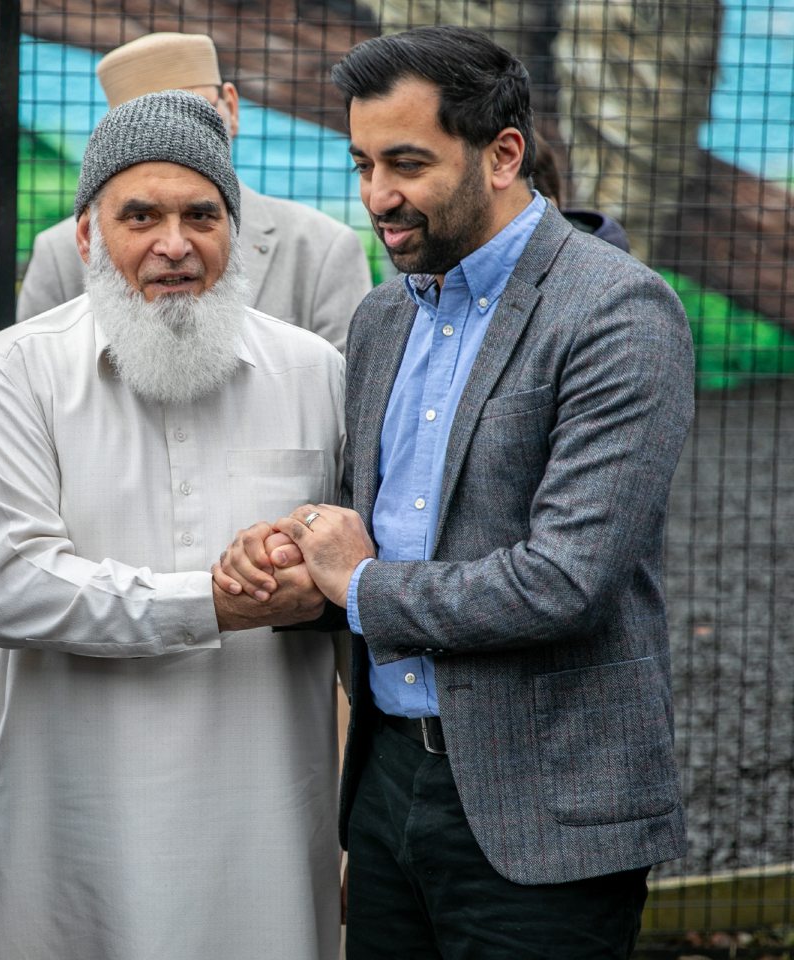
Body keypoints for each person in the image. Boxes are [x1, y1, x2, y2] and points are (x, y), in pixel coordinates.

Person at [214, 25, 693, 958]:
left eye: (406, 163)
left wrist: (351, 584)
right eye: (361, 162)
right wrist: (287, 572)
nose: (376, 196)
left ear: (504, 153)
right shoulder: (384, 316)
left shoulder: (618, 311)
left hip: (546, 814)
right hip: (388, 786)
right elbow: (371, 540)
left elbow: (565, 580)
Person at [0, 90, 346, 960]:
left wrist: (310, 566)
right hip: (74, 829)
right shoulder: (16, 373)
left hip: (263, 823)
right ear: (87, 237)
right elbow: (14, 591)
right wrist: (215, 600)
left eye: (203, 214)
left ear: (235, 234)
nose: (176, 244)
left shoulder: (316, 373)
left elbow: (357, 570)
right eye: (141, 215)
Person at [15, 31, 371, 352]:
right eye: (151, 119)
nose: (180, 134)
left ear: (231, 107)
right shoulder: (62, 251)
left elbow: (343, 396)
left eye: (199, 112)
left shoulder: (321, 247)